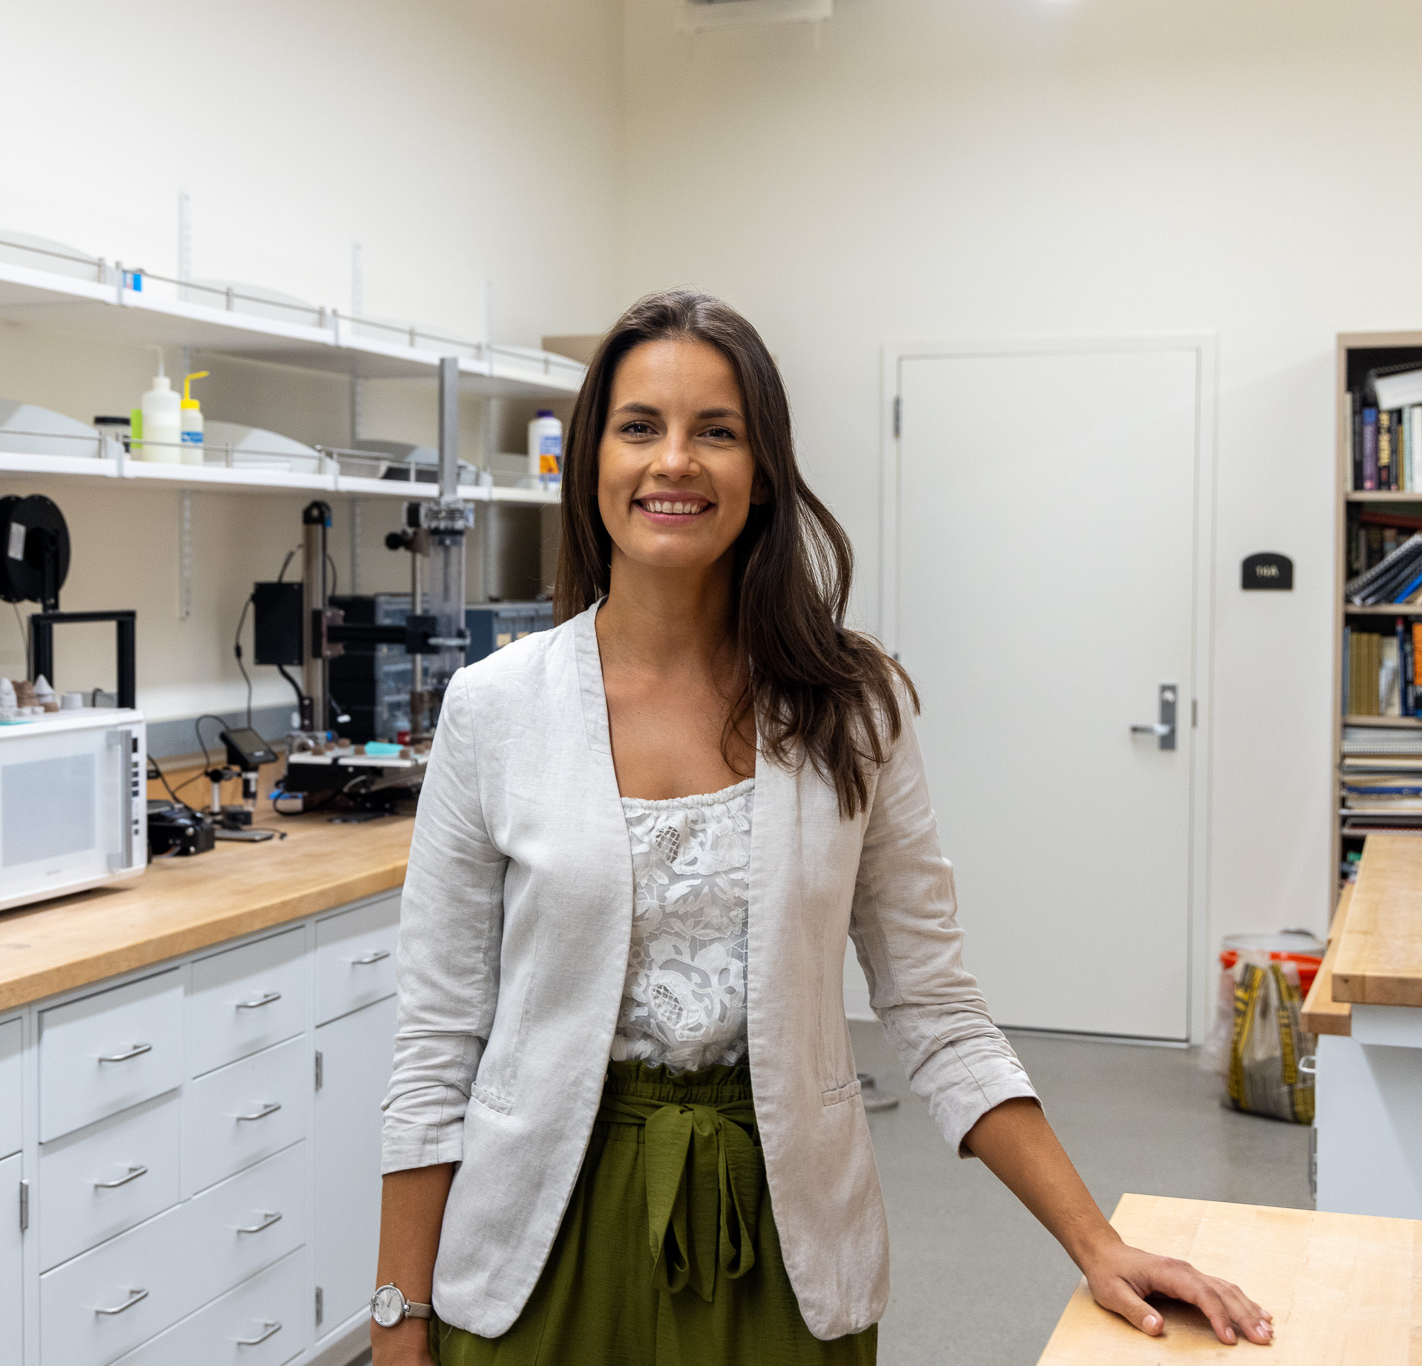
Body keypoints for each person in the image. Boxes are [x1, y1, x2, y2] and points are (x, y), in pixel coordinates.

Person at [369, 289, 1272, 1365]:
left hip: (781, 1240)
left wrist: (1096, 1242)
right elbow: (435, 1044)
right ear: (590, 461)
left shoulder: (847, 704)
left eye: (716, 430)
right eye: (638, 427)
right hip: (539, 1246)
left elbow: (933, 1007)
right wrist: (397, 1317)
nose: (673, 462)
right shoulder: (493, 708)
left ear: (761, 473)